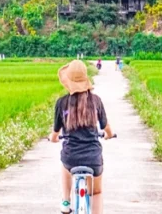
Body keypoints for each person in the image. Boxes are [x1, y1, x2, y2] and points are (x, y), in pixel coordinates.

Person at [49, 60, 114, 214]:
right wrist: (109, 135)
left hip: (71, 156)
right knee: (96, 192)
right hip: (93, 158)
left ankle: (66, 200)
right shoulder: (95, 101)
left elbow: (55, 132)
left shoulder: (62, 103)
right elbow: (106, 127)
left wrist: (53, 138)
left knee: (64, 164)